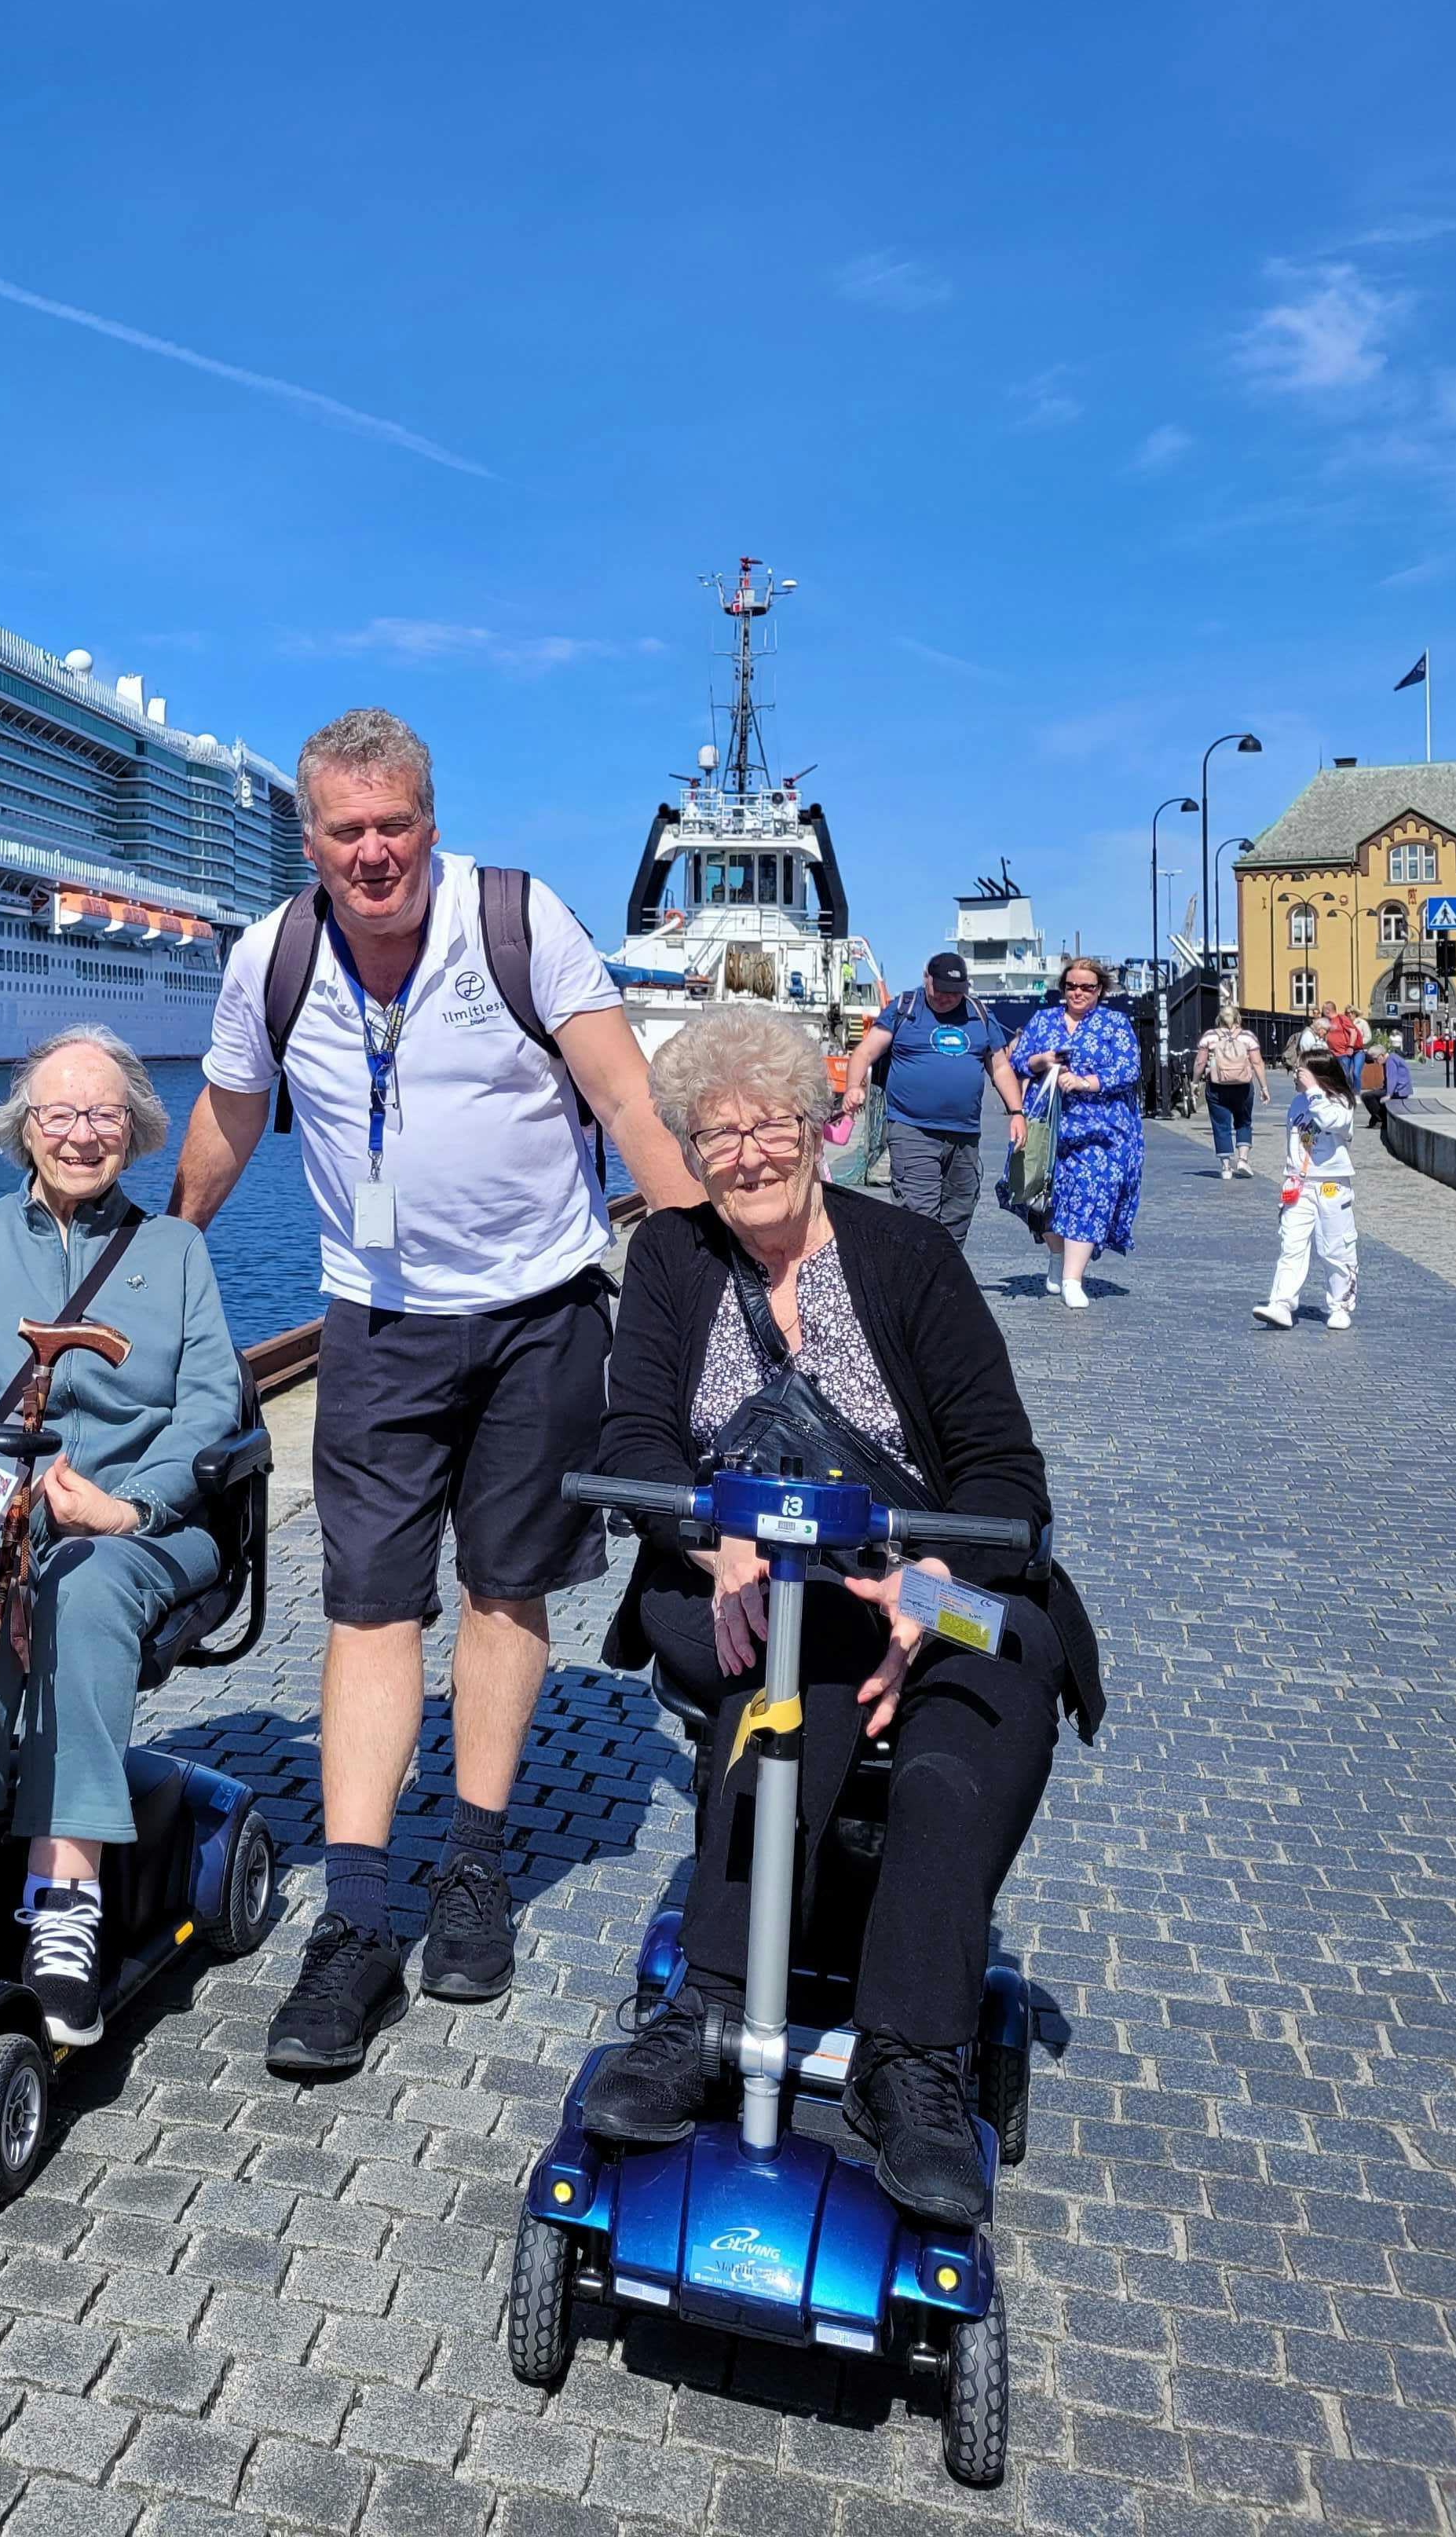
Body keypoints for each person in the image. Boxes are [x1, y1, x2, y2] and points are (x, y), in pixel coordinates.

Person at [171, 705, 699, 2076]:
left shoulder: (517, 921)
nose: (372, 852)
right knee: (366, 1604)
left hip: (539, 1312)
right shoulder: (271, 956)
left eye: (392, 825)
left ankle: (472, 1859)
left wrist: (712, 1285)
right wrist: (161, 1253)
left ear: (430, 824)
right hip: (378, 1321)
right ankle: (355, 1917)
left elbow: (628, 1102)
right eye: (344, 830)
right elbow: (230, 1115)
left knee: (505, 1588)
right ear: (307, 840)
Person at [575, 1011, 1099, 2223]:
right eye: (717, 1137)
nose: (748, 1155)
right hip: (745, 1577)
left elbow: (1006, 1480)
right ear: (691, 1156)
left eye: (769, 1125)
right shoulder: (669, 1260)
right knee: (792, 1675)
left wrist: (928, 1587)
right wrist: (715, 1539)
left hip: (929, 1580)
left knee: (964, 1732)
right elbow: (636, 1441)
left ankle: (911, 2057)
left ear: (818, 1127)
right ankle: (710, 2002)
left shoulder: (908, 1257)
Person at [0, 1027, 241, 2043]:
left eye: (105, 1114)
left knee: (82, 1586)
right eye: (60, 1114)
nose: (82, 1135)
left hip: (141, 1524)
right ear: (24, 1130)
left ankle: (64, 1898)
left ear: (138, 1129)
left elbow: (213, 1407)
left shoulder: (175, 1252)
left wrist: (130, 1505)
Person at [839, 949, 1026, 1247]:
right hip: (912, 1129)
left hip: (964, 1134)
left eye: (955, 993)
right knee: (919, 1213)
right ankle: (919, 1272)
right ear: (926, 979)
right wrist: (853, 1087)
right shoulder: (905, 1008)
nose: (947, 998)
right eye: (941, 991)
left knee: (959, 1212)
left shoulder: (979, 1014)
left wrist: (1016, 1112)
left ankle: (944, 1270)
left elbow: (1000, 1067)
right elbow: (864, 1052)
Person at [1009, 957, 1143, 1308]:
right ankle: (1057, 1256)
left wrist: (1086, 1082)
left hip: (1101, 1129)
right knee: (1044, 1195)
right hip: (1048, 1125)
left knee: (1090, 1194)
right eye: (1071, 986)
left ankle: (1073, 1278)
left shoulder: (1115, 1023)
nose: (1078, 993)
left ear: (1100, 990)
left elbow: (1129, 1069)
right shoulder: (1043, 1020)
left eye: (1087, 987)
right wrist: (1044, 1061)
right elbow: (1017, 1061)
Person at [1252, 1048, 1359, 1332]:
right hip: (1300, 1184)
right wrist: (1291, 1175)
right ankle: (1281, 1303)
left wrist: (1314, 1092)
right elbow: (1297, 1144)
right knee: (1292, 1244)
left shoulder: (1341, 1102)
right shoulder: (1298, 1103)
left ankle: (1340, 1305)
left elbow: (1331, 1122)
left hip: (1331, 1185)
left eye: (1300, 1071)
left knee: (1335, 1248)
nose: (1295, 1076)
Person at [1193, 999, 1268, 1178]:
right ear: (1238, 1018)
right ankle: (1243, 1159)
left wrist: (1195, 1082)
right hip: (1243, 1086)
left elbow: (1200, 1062)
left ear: (1219, 1019)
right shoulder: (1248, 1037)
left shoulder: (1210, 1036)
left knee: (1221, 1125)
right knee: (1244, 1121)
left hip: (1217, 1086)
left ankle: (1226, 1168)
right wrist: (1264, 1087)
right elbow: (1257, 1063)